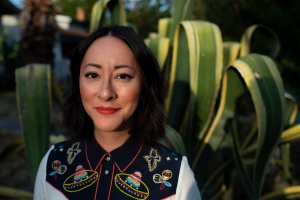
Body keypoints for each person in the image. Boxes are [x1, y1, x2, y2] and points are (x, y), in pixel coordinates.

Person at [34, 25, 201, 200]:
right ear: (77, 85)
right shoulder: (53, 165)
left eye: (122, 76)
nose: (106, 93)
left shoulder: (176, 178)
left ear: (144, 88)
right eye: (92, 75)